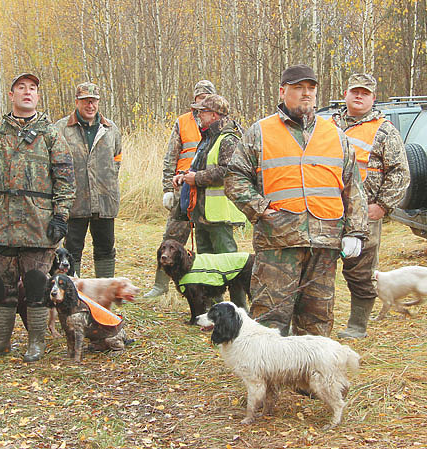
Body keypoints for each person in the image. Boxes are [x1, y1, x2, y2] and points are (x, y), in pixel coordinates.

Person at [225, 64, 369, 337]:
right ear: (283, 91)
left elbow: (353, 188)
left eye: (311, 88)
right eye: (298, 88)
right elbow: (234, 178)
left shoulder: (335, 135)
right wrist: (261, 209)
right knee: (269, 318)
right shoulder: (260, 132)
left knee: (317, 318)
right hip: (277, 241)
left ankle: (310, 378)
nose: (306, 94)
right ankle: (270, 378)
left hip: (325, 244)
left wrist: (356, 232)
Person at [0, 73, 76, 361]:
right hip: (3, 220)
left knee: (36, 283)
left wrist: (61, 216)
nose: (27, 92)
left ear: (38, 97)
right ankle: (0, 340)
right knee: (0, 281)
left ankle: (36, 342)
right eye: (21, 88)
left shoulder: (50, 134)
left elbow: (66, 178)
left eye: (32, 89)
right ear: (11, 94)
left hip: (38, 222)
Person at [332, 73, 409, 339]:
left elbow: (400, 172)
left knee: (361, 271)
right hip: (327, 211)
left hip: (365, 214)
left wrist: (383, 206)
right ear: (346, 94)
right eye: (355, 91)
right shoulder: (327, 125)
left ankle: (357, 326)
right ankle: (318, 323)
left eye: (365, 93)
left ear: (373, 98)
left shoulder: (385, 130)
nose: (359, 96)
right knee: (320, 268)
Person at [172, 94, 248, 308]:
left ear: (214, 115)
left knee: (230, 265)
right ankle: (214, 308)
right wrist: (185, 175)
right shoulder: (207, 137)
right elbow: (202, 166)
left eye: (201, 112)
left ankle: (239, 310)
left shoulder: (228, 139)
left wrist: (196, 178)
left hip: (220, 215)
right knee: (206, 265)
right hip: (202, 212)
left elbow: (227, 170)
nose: (198, 115)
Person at [144, 80, 217, 298]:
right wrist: (168, 189)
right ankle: (160, 285)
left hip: (210, 192)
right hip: (183, 192)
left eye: (207, 98)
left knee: (208, 243)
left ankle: (208, 288)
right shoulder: (183, 122)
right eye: (200, 98)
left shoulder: (221, 123)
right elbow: (170, 157)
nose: (203, 101)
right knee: (172, 237)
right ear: (194, 100)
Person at [55, 82, 121, 278]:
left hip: (105, 200)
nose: (90, 105)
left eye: (93, 101)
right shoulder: (61, 128)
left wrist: (107, 181)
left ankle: (104, 292)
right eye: (85, 101)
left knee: (106, 247)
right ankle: (73, 291)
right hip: (75, 201)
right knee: (72, 248)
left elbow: (117, 158)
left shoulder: (110, 129)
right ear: (77, 102)